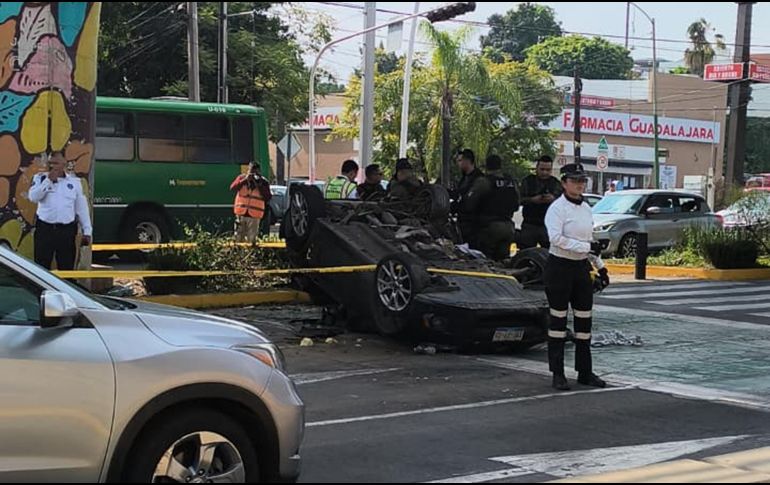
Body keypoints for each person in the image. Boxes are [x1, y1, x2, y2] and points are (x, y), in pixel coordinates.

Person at [544, 163, 610, 391]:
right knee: (558, 324)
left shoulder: (586, 208)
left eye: (582, 180)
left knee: (584, 323)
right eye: (575, 180)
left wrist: (600, 267)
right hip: (559, 268)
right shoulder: (556, 208)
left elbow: (590, 243)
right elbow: (556, 239)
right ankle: (558, 373)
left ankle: (584, 371)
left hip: (580, 268)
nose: (580, 184)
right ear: (564, 183)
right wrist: (585, 245)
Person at [28, 151, 92, 270]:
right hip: (45, 229)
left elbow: (81, 208)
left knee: (66, 266)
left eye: (56, 163)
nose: (53, 166)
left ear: (64, 163)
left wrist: (87, 231)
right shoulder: (40, 178)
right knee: (41, 267)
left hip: (66, 231)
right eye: (50, 163)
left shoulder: (74, 182)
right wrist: (48, 181)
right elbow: (33, 197)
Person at [466, 154, 519, 260]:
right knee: (502, 261)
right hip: (508, 227)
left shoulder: (484, 182)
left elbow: (469, 204)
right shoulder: (510, 182)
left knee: (484, 260)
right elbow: (517, 204)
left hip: (489, 228)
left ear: (486, 166)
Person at [519, 155, 562, 249]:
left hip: (548, 226)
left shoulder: (555, 183)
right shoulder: (528, 181)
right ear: (536, 168)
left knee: (549, 254)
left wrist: (553, 199)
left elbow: (563, 203)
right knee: (525, 253)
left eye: (548, 170)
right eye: (542, 169)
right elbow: (519, 200)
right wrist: (532, 200)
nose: (544, 172)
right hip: (529, 224)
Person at [230, 162, 271, 244]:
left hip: (254, 215)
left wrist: (258, 184)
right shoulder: (242, 178)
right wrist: (245, 180)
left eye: (255, 172)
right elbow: (232, 188)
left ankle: (251, 255)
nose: (253, 174)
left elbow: (268, 197)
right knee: (238, 238)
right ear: (248, 170)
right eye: (251, 171)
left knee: (252, 241)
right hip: (241, 214)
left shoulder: (263, 182)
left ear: (259, 172)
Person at [454, 149, 484, 246]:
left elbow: (469, 201)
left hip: (474, 224)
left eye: (460, 160)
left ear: (467, 161)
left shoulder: (478, 178)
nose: (458, 164)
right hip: (463, 222)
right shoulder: (464, 178)